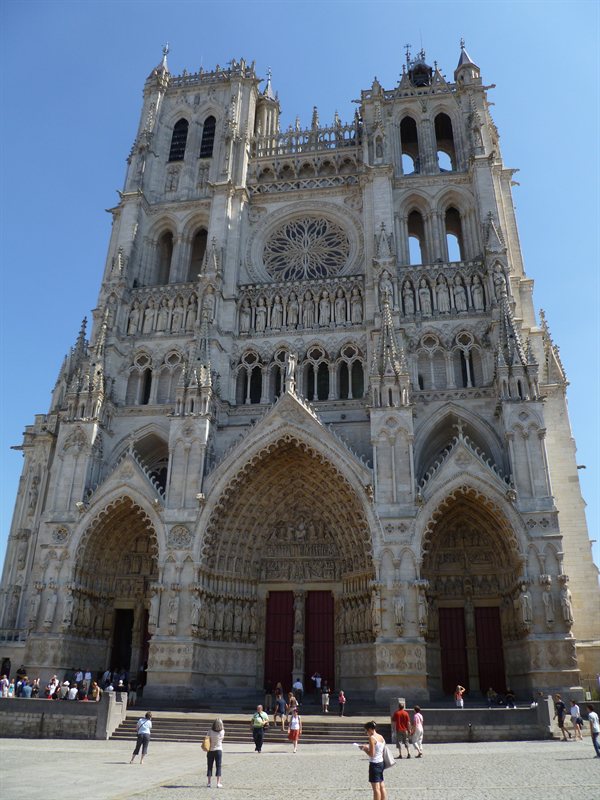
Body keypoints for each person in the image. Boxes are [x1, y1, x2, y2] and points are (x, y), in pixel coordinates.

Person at [359, 721, 387, 800]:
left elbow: (372, 754)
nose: (366, 732)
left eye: (366, 730)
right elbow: (380, 749)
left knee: (376, 788)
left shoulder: (372, 738)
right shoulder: (380, 736)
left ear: (371, 729)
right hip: (381, 762)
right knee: (382, 786)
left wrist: (364, 749)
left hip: (374, 764)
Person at [206, 718, 224, 788]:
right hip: (218, 749)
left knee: (209, 766)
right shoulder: (222, 731)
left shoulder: (210, 731)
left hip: (210, 750)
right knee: (218, 766)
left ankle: (209, 782)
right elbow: (222, 739)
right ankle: (218, 782)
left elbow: (207, 739)